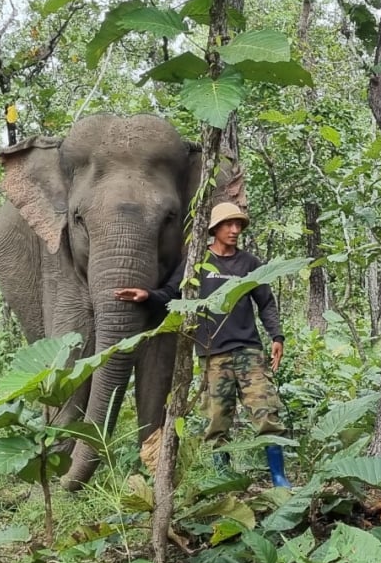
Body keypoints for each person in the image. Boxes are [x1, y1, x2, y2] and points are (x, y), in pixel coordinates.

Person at [114, 202, 291, 489]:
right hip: (213, 354)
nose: (234, 230)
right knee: (217, 420)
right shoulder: (197, 262)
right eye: (228, 225)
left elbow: (266, 302)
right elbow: (173, 292)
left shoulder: (249, 264)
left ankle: (279, 478)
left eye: (238, 225)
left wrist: (277, 336)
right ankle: (224, 480)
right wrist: (147, 295)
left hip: (249, 351)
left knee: (266, 413)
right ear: (214, 229)